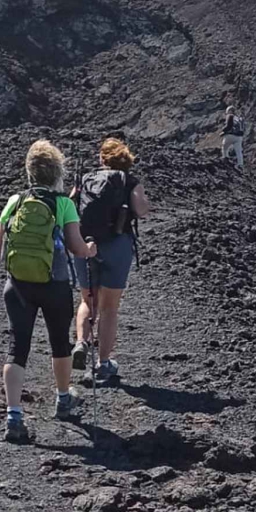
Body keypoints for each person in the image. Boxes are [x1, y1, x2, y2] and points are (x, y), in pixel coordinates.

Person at [0, 140, 97, 443]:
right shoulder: (64, 204)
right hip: (54, 284)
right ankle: (63, 399)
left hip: (17, 285)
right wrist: (89, 249)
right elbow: (77, 248)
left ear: (30, 172)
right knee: (59, 343)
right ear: (57, 172)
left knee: (17, 346)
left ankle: (13, 417)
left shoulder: (15, 200)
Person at [71, 138, 153, 383]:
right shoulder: (129, 180)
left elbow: (69, 203)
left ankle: (81, 343)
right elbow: (141, 210)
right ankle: (103, 363)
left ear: (102, 158)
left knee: (88, 300)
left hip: (86, 243)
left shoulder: (86, 178)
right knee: (109, 308)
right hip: (117, 244)